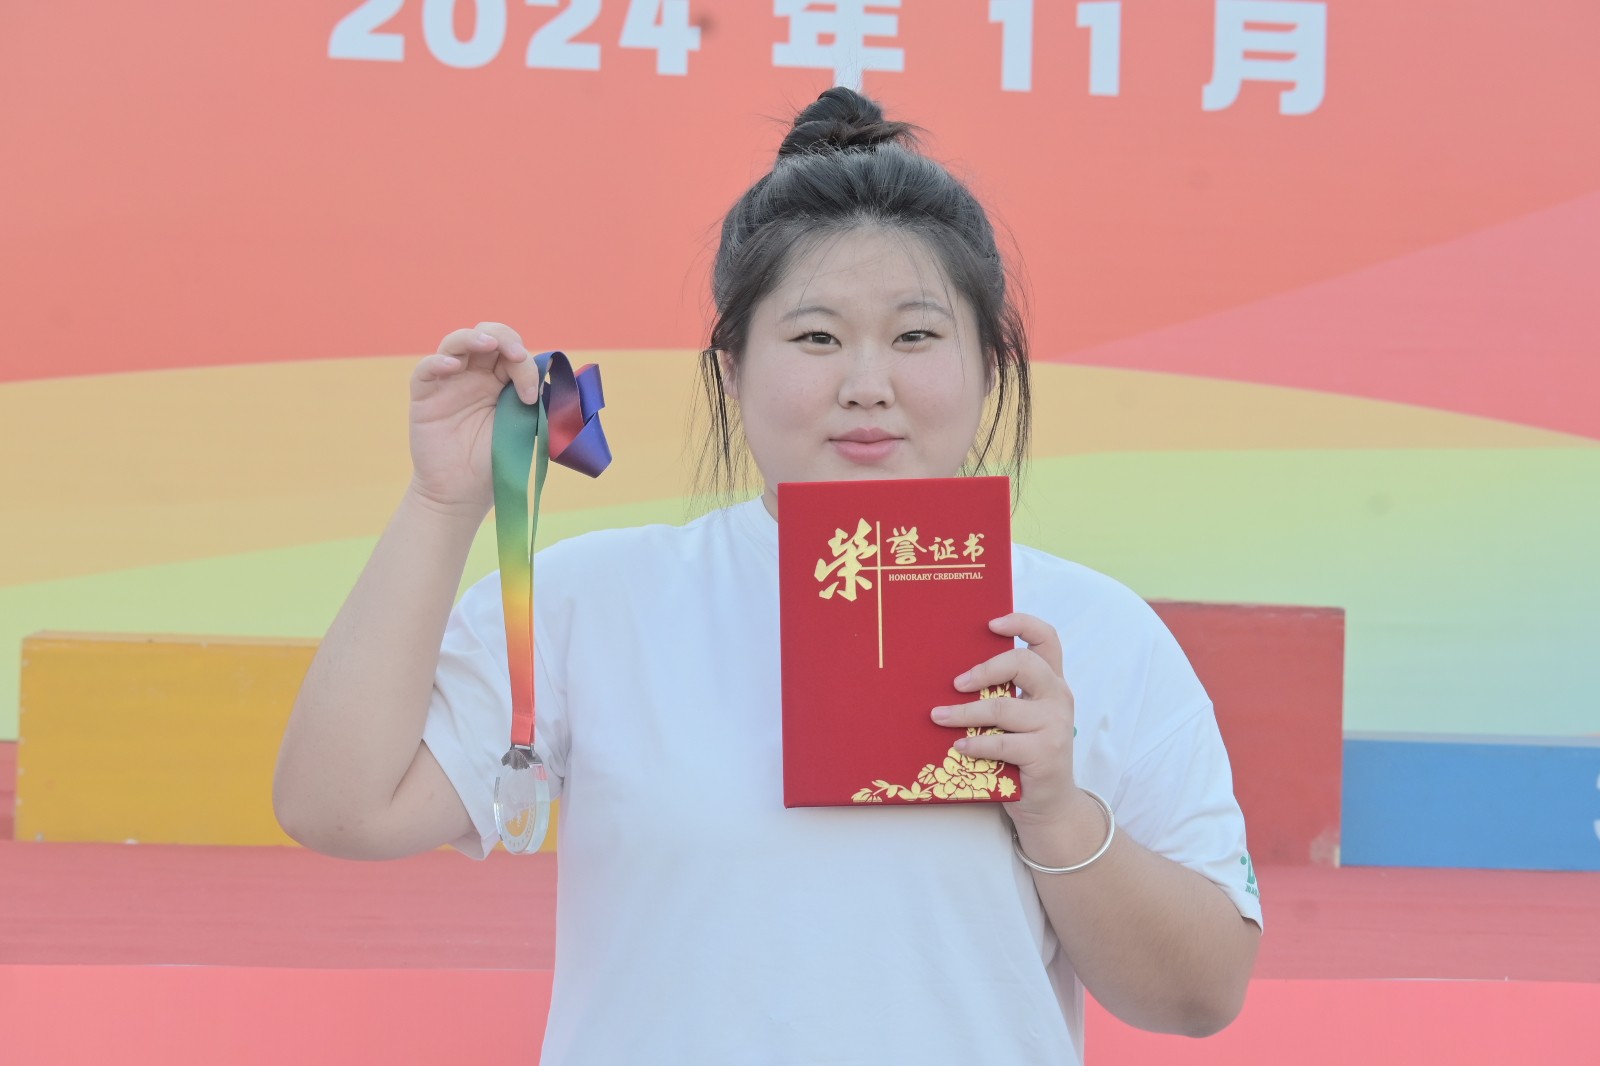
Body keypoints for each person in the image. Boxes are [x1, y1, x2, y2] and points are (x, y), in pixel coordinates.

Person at [273, 87, 1262, 1064]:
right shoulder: (597, 601)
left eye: (916, 336)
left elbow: (1201, 993)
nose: (866, 384)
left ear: (990, 367)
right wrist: (444, 502)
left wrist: (1056, 808)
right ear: (732, 370)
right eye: (816, 337)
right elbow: (340, 807)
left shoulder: (1094, 629)